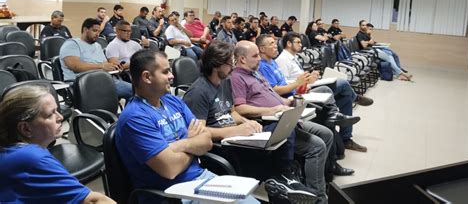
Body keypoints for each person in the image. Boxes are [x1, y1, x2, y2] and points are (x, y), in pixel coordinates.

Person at [183, 41, 322, 202]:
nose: (234, 68)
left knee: (281, 130)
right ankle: (283, 181)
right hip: (222, 147)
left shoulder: (224, 81)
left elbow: (232, 112)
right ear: (217, 65)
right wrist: (234, 131)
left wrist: (245, 123)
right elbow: (199, 133)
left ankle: (284, 180)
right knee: (274, 169)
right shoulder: (198, 92)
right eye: (230, 64)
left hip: (239, 137)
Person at [114, 50, 258, 204]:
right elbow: (171, 170)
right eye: (165, 71)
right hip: (172, 194)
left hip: (201, 179)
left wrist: (180, 144)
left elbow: (207, 140)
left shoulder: (172, 101)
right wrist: (193, 144)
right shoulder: (134, 118)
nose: (172, 76)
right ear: (147, 77)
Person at [231, 41, 333, 202]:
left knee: (326, 134)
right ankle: (317, 197)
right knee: (317, 146)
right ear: (242, 59)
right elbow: (240, 108)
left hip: (285, 114)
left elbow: (275, 97)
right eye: (255, 56)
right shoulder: (237, 77)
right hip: (269, 122)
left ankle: (314, 181)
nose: (259, 59)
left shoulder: (256, 74)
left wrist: (290, 101)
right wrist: (272, 110)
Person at [0, 84, 114, 203]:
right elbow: (93, 201)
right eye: (50, 114)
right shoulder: (32, 158)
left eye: (57, 111)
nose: (60, 117)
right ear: (26, 129)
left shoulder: (11, 149)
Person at [275, 32, 371, 152]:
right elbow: (285, 83)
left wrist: (310, 76)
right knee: (341, 83)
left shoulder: (293, 57)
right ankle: (355, 97)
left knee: (345, 99)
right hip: (301, 92)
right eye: (298, 42)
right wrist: (305, 82)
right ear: (289, 44)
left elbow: (297, 77)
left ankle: (346, 139)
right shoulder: (282, 60)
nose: (301, 45)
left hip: (307, 86)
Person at [59, 18, 133, 101]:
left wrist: (114, 68)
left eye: (98, 31)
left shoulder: (97, 46)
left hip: (103, 80)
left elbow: (105, 64)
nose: (97, 34)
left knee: (136, 91)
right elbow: (76, 66)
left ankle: (129, 113)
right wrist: (102, 66)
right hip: (83, 83)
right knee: (132, 91)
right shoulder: (72, 44)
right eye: (94, 31)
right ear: (85, 29)